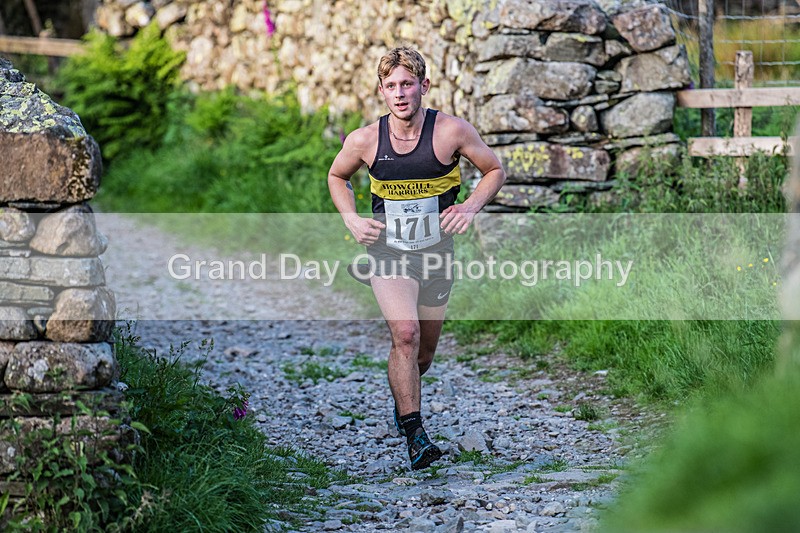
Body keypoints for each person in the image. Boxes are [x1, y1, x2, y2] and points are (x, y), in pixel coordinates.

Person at [327, 46, 506, 470]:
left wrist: (469, 207)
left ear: (423, 86)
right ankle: (415, 433)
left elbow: (494, 170)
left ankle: (404, 397)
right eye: (391, 86)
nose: (400, 93)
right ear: (382, 92)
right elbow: (337, 176)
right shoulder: (366, 140)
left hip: (437, 255)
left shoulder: (451, 132)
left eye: (407, 84)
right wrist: (351, 219)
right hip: (387, 253)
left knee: (423, 354)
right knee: (404, 334)